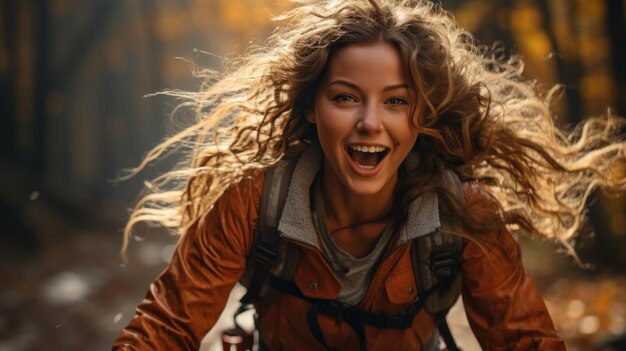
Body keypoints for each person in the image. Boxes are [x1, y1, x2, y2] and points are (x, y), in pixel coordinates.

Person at [113, 0, 626, 350]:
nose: (370, 123)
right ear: (312, 108)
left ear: (419, 116)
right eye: (345, 98)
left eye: (396, 102)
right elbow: (166, 327)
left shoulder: (463, 212)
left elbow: (524, 342)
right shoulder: (253, 203)